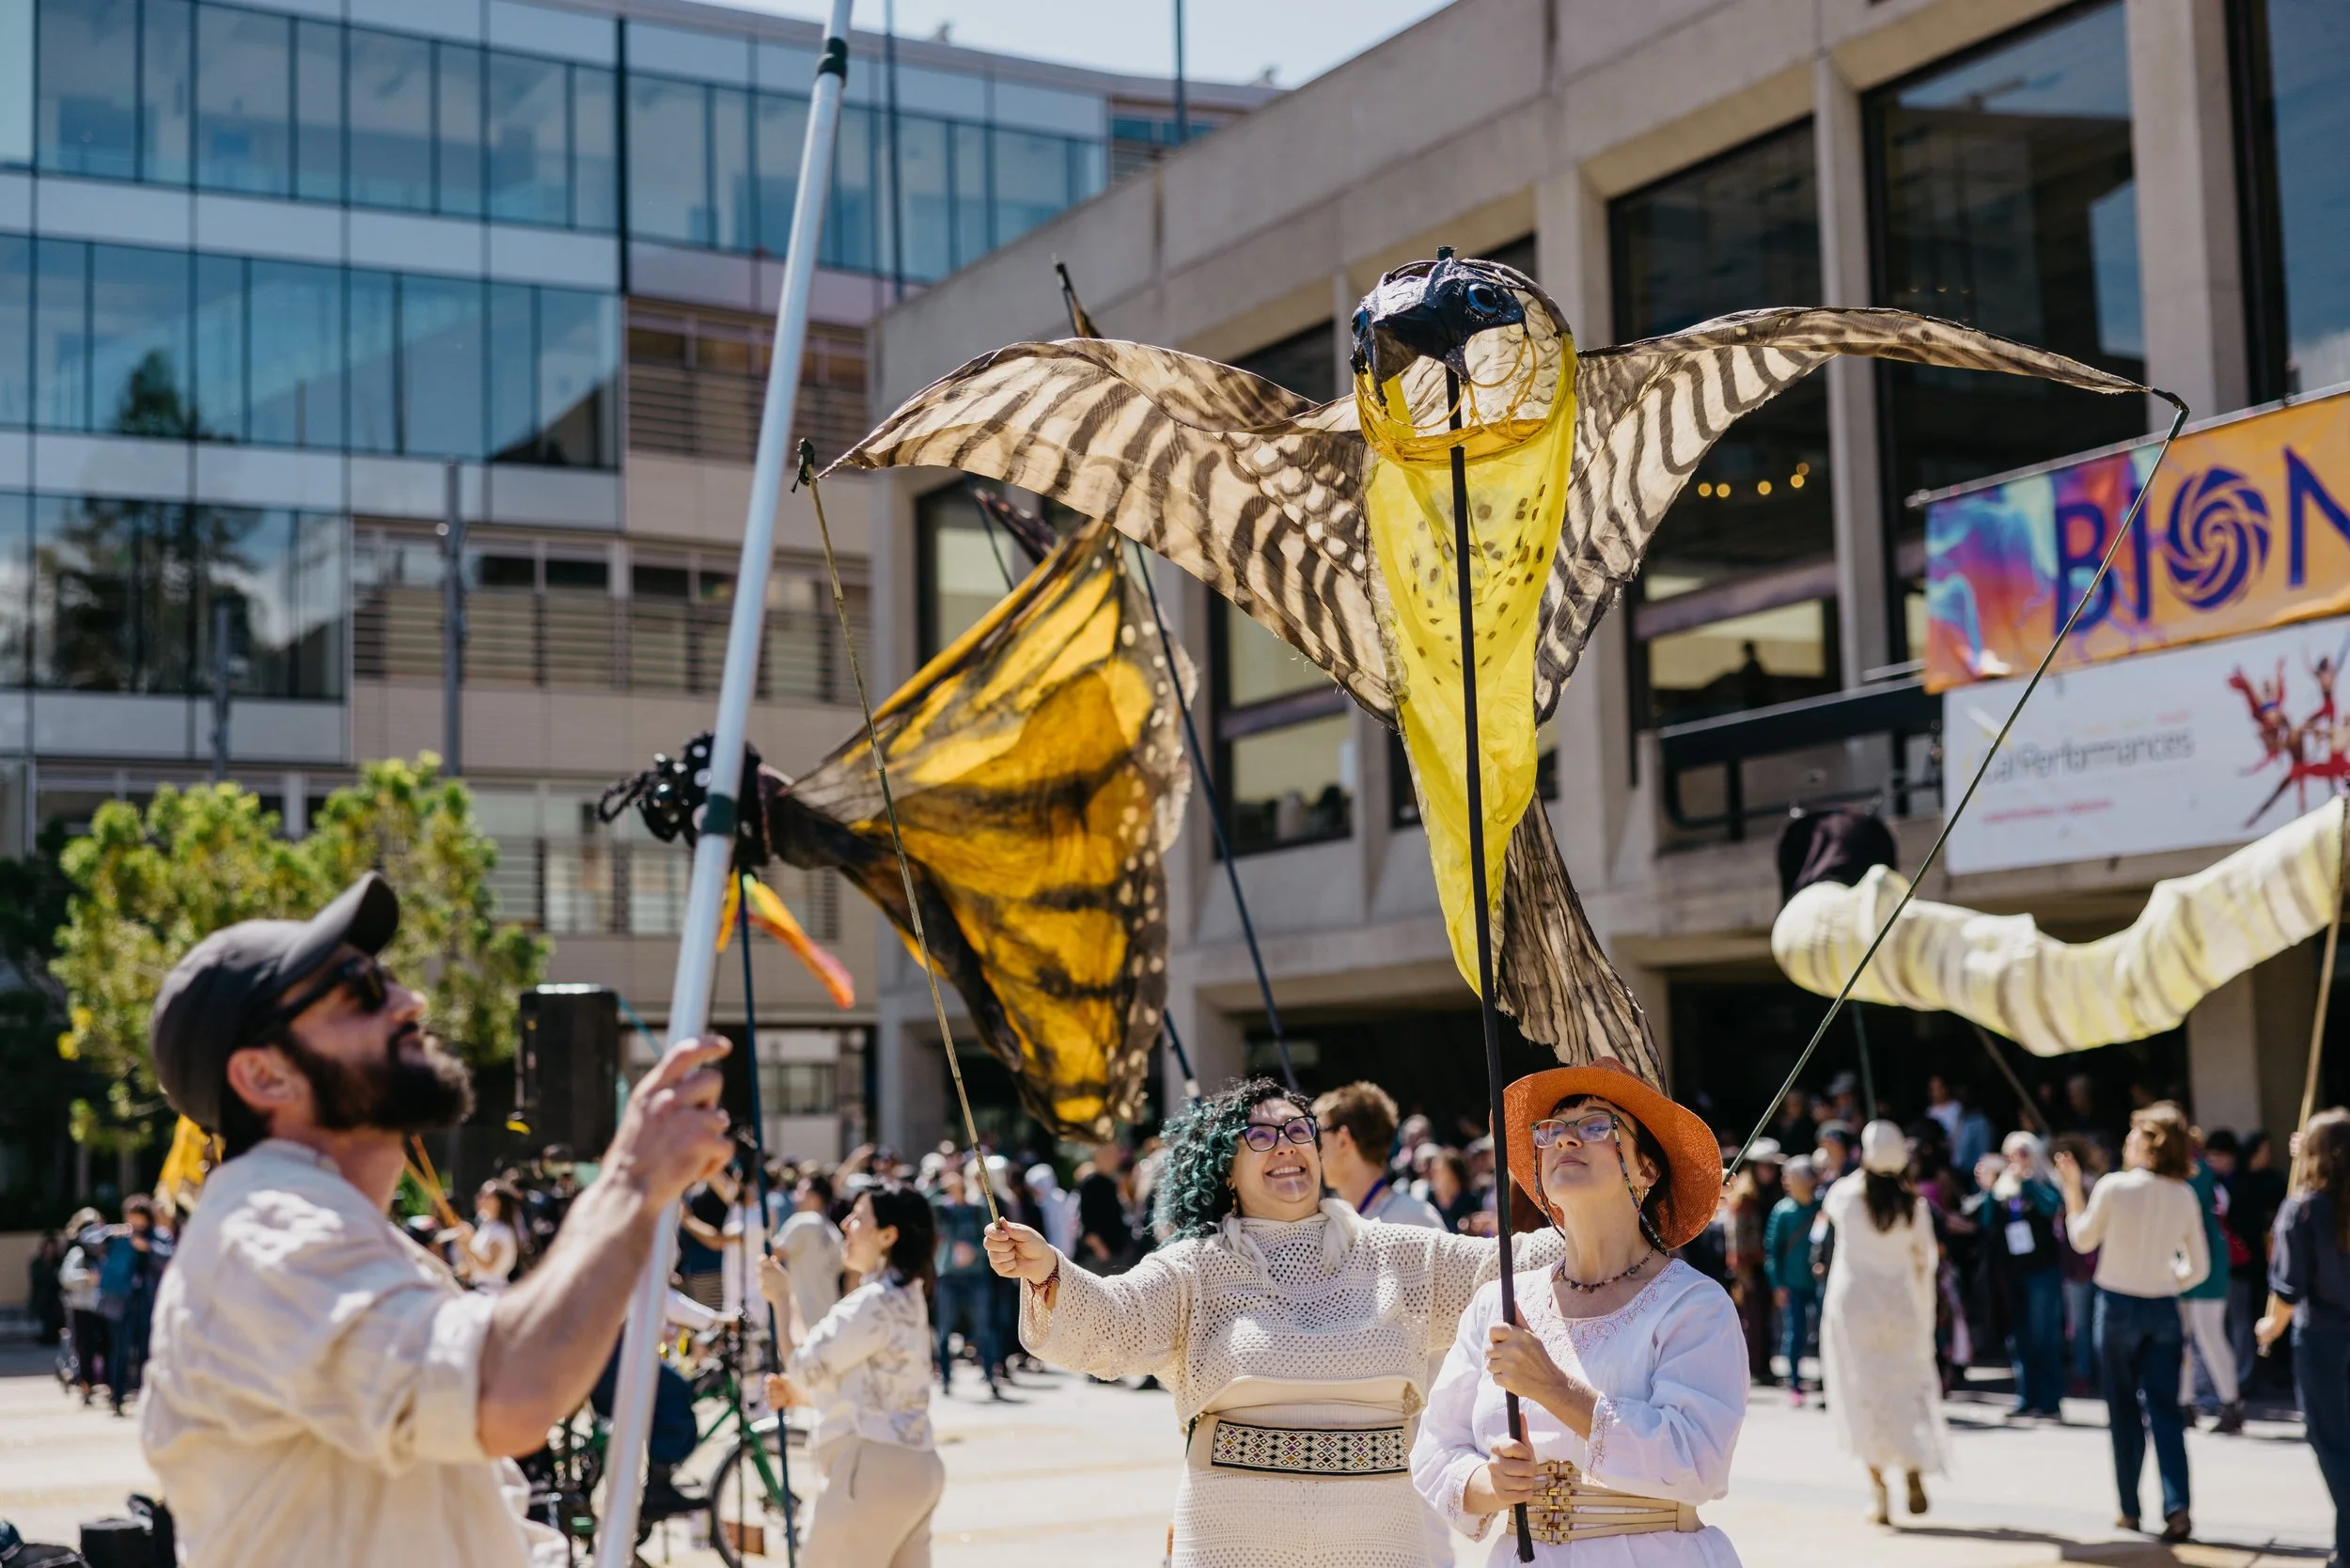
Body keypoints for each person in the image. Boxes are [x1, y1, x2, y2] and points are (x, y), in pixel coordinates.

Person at [137, 871, 736, 1568]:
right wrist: (632, 1180)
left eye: (386, 977)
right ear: (265, 1077)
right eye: (360, 989)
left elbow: (481, 1521)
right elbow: (504, 1395)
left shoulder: (358, 1241)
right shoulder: (264, 1237)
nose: (408, 1000)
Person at [982, 1076, 1567, 1567]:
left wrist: (1612, 1176)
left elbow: (1522, 1268)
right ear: (1227, 1170)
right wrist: (1048, 1271)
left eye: (1297, 1130)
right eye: (1259, 1136)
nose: (1284, 1145)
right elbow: (1113, 1321)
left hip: (1380, 1537)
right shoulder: (1196, 1267)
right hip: (1230, 1538)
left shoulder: (1402, 1253)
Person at [1411, 1057, 1742, 1562]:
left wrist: (1554, 1388)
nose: (1565, 1139)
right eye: (1552, 1130)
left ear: (1647, 1167)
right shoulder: (1500, 1302)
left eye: (1595, 1125)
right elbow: (1436, 1448)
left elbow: (1697, 1462)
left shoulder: (1693, 1306)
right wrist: (1490, 1482)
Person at [761, 1183, 944, 1568]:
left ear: (888, 1236)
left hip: (872, 1470)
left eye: (858, 1217)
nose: (846, 1223)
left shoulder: (872, 1302)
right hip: (920, 1469)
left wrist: (783, 1298)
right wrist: (802, 1397)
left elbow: (802, 1366)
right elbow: (879, 1388)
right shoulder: (909, 1296)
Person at [2055, 1101, 2209, 1544]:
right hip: (2162, 1305)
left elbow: (2083, 1238)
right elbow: (2196, 1267)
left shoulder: (2114, 1187)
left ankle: (2129, 1508)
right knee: (2165, 1411)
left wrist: (2071, 1190)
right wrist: (2170, 1276)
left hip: (2118, 1303)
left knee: (2123, 1411)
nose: (2126, 1143)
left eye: (2132, 1135)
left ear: (2149, 1143)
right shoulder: (2182, 1195)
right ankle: (2177, 1505)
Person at [1818, 1121, 1946, 1527]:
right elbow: (1926, 1259)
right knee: (1904, 1387)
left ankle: (1879, 1493)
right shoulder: (1915, 1205)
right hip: (1901, 1306)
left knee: (1860, 1391)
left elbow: (1833, 1206)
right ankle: (1911, 1465)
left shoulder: (1846, 1196)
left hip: (1855, 1306)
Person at [2257, 1108, 2350, 1567]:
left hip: (2324, 1343)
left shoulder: (2303, 1209)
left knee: (2334, 1446)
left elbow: (2287, 1289)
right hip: (2329, 1337)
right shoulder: (2310, 1206)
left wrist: (2269, 1327)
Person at [1984, 1132, 2066, 1419]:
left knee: (2044, 1334)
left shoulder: (2044, 1183)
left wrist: (2028, 1181)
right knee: (2019, 1338)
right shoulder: (2004, 1188)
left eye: (2022, 1153)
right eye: (2010, 1155)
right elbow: (1987, 1221)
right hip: (2013, 1272)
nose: (2015, 1161)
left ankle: (2050, 1399)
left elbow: (2051, 1207)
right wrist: (1990, 1190)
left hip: (2042, 1269)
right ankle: (2026, 1396)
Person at [2181, 1128, 2245, 1433]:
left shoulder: (2198, 1171)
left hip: (2206, 1256)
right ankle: (2184, 1403)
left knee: (2208, 1332)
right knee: (2179, 1335)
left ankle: (2231, 1404)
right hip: (2176, 1255)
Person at [1316, 1080, 1444, 1228]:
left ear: (1342, 1140)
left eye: (1318, 1133)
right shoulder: (1338, 1224)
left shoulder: (1413, 1220)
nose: (1314, 1146)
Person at [930, 1161, 1002, 1398]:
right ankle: (947, 1380)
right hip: (949, 1276)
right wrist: (939, 1188)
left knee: (983, 1328)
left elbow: (991, 1236)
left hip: (975, 1276)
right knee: (945, 1330)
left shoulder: (977, 1207)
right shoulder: (942, 1207)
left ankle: (991, 1376)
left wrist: (975, 1251)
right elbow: (925, 1207)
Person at [99, 1194, 169, 1416]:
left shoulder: (158, 1237)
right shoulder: (119, 1236)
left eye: (140, 1218)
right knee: (120, 1349)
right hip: (121, 1300)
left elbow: (170, 1255)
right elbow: (89, 1240)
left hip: (148, 1301)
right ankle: (117, 1397)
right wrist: (110, 1232)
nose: (136, 1223)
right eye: (132, 1218)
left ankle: (150, 1398)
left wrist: (147, 1247)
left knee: (148, 1351)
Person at [1765, 1155, 1822, 1406]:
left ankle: (1827, 1383)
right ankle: (1795, 1384)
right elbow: (1772, 1251)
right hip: (1792, 1283)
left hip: (1819, 1283)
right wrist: (1777, 1285)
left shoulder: (1821, 1208)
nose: (1785, 1181)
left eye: (1791, 1176)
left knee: (1824, 1332)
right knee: (1795, 1333)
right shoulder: (1782, 1211)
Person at [1724, 1144, 1781, 1385]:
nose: (1769, 1171)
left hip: (1767, 1265)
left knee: (1765, 1317)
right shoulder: (1746, 1198)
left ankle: (1764, 1364)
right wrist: (1742, 1271)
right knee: (1752, 1318)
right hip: (1750, 1267)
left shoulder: (1773, 1194)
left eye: (1773, 1167)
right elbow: (1737, 1238)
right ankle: (1754, 1368)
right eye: (1765, 1166)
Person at [777, 1169, 847, 1331]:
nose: (795, 1196)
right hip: (829, 1317)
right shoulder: (833, 1231)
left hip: (802, 1318)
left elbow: (773, 1254)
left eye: (800, 1191)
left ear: (814, 1198)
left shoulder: (802, 1221)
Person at [57, 1208, 106, 1404]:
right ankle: (85, 1384)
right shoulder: (77, 1252)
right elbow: (65, 1277)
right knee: (83, 1348)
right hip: (81, 1306)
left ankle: (102, 1382)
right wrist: (86, 1277)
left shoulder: (105, 1250)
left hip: (102, 1306)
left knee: (103, 1345)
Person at [451, 1181, 525, 1294]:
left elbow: (490, 1265)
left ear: (498, 1202)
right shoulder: (487, 1226)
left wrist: (467, 1248)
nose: (479, 1198)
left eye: (485, 1195)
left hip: (492, 1292)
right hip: (480, 1289)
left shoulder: (501, 1230)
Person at [1075, 1141, 1136, 1271]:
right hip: (1101, 1256)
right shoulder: (1090, 1184)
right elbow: (1087, 1222)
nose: (1112, 1158)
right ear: (1097, 1155)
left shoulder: (1114, 1182)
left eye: (1115, 1154)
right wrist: (1101, 1250)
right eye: (1108, 1154)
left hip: (1118, 1252)